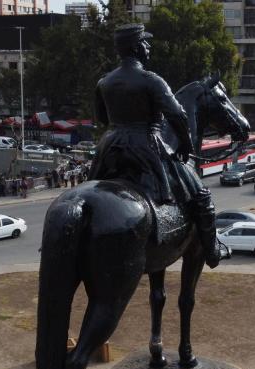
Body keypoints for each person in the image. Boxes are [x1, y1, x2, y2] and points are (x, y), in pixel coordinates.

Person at [89, 23, 221, 269]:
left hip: (110, 147)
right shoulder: (151, 81)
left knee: (93, 186)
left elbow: (103, 119)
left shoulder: (103, 82)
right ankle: (212, 250)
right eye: (145, 43)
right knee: (201, 194)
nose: (149, 47)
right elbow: (178, 116)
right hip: (146, 145)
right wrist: (184, 144)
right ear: (136, 47)